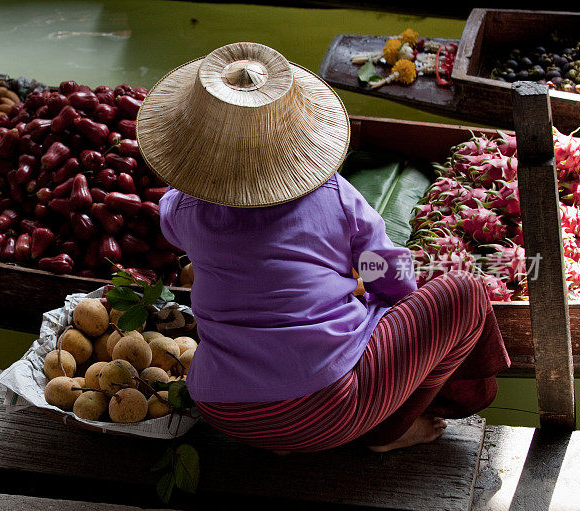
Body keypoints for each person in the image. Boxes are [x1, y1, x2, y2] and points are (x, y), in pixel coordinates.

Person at [136, 42, 510, 453]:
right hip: (326, 407)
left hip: (224, 409)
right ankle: (388, 430)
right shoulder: (333, 194)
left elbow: (170, 219)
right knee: (464, 291)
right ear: (299, 136)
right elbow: (386, 274)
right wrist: (386, 306)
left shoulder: (186, 210)